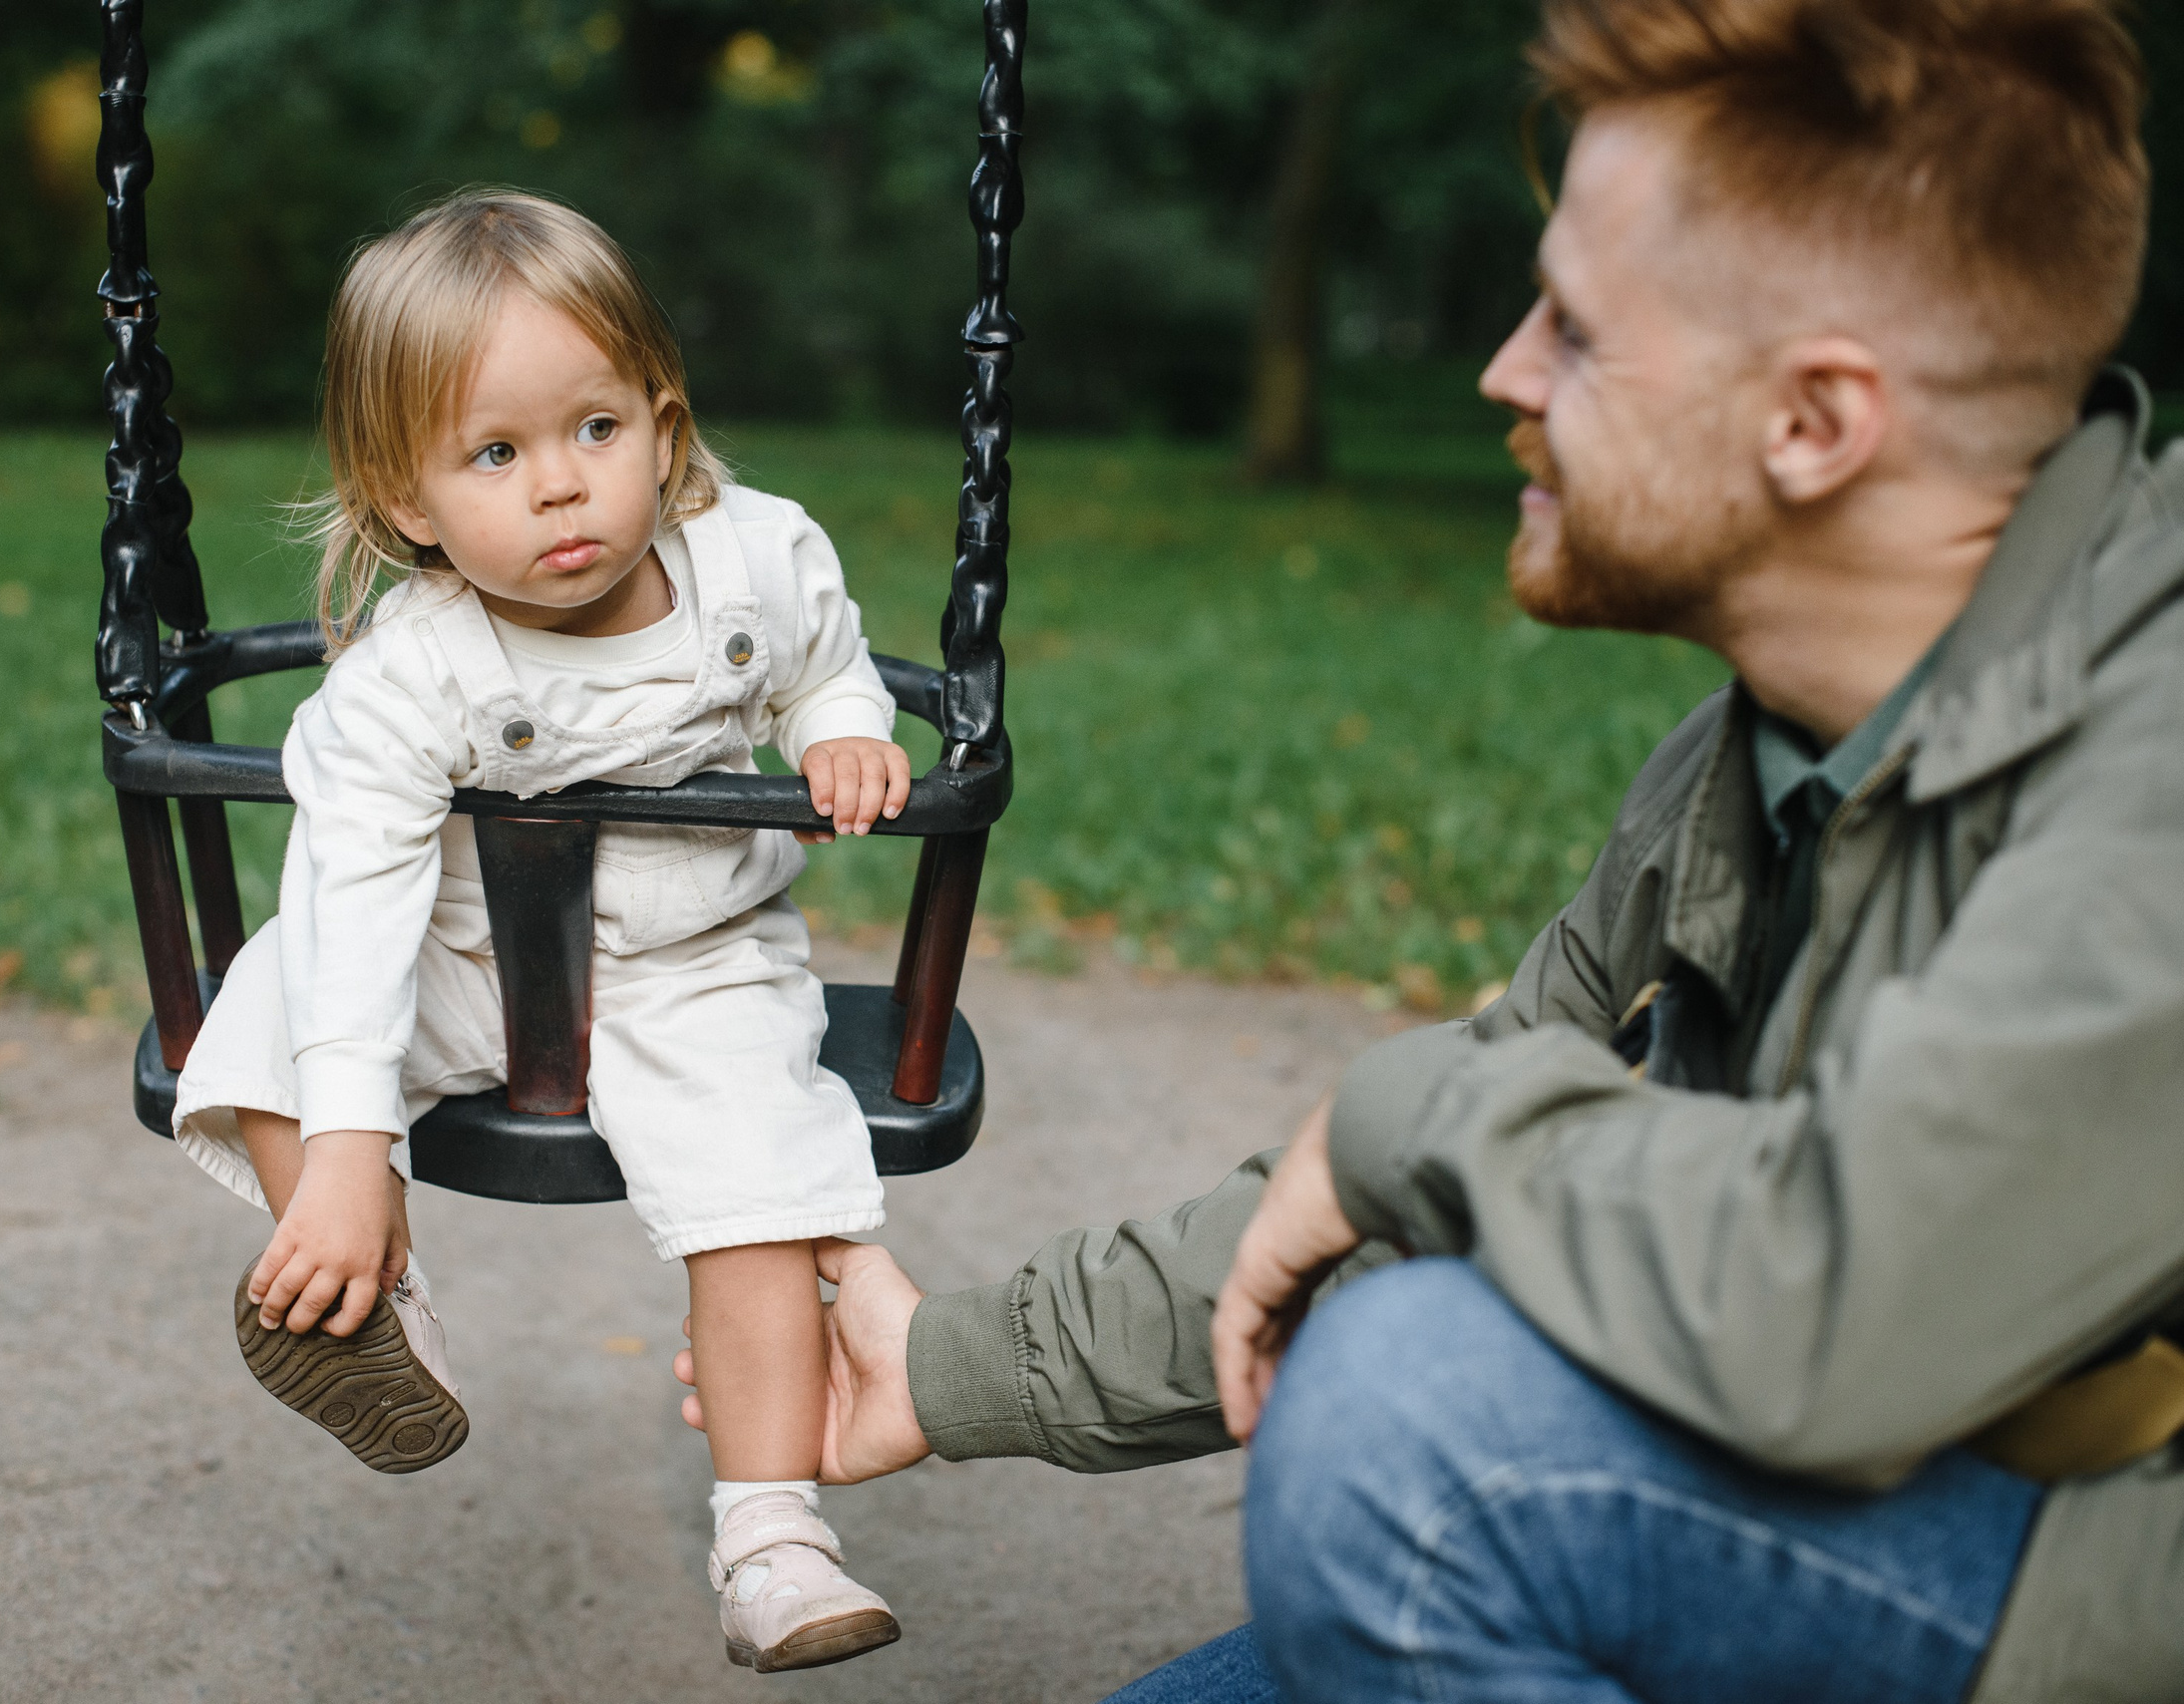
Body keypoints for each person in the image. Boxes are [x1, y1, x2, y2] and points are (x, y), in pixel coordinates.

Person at [680, 2, 2184, 1699]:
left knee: (1416, 1417)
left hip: (2087, 1581)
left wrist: (1406, 1122)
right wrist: (944, 1366)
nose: (1504, 373)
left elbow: (1836, 1295)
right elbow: (1426, 1189)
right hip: (1854, 1515)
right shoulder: (1741, 767)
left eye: (1579, 333)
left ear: (1819, 422)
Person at [169, 189, 912, 1674]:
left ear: (665, 420)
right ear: (406, 501)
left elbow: (833, 665)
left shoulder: (757, 559)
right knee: (270, 1013)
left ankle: (773, 1533)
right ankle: (366, 1277)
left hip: (694, 960)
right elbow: (359, 900)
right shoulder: (407, 675)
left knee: (754, 1200)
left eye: (595, 431)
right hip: (457, 957)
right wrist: (346, 1143)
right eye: (496, 454)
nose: (562, 489)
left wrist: (841, 729)